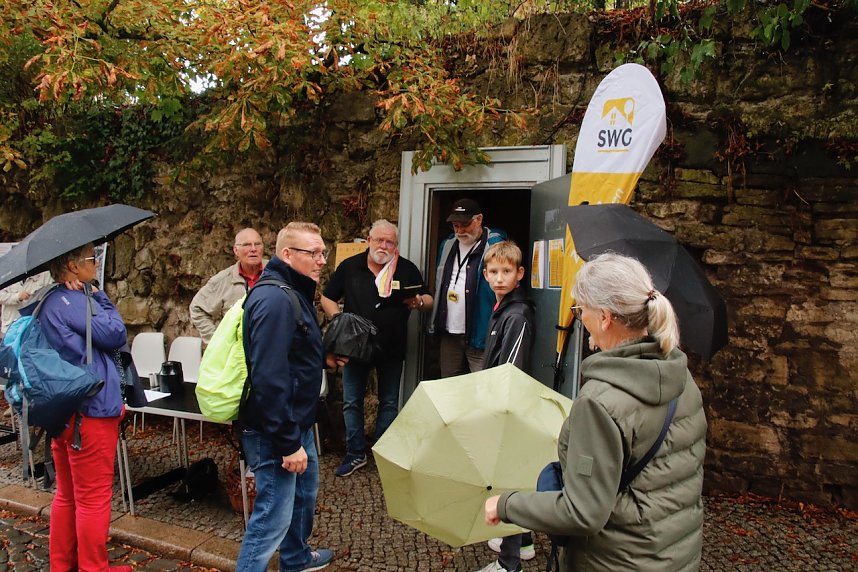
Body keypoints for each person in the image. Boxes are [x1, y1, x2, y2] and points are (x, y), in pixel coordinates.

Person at [483, 253, 707, 571]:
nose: (579, 317)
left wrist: (505, 504)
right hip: (675, 556)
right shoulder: (680, 376)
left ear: (604, 317)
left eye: (580, 309)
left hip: (613, 561)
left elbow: (582, 512)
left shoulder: (599, 402)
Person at [236, 222, 334, 572]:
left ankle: (296, 559)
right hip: (275, 429)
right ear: (287, 254)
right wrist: (287, 443)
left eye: (323, 252)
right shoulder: (275, 298)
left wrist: (323, 358)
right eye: (314, 253)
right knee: (271, 519)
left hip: (297, 422)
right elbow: (269, 378)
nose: (322, 260)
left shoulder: (294, 290)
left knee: (303, 497)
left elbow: (292, 352)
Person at [35, 244, 130, 572]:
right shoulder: (77, 302)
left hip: (61, 411)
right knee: (93, 498)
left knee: (67, 495)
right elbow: (116, 333)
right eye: (92, 259)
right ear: (74, 267)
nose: (96, 263)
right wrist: (99, 295)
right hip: (91, 411)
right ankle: (94, 568)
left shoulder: (45, 301)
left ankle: (62, 566)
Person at [320, 219, 433, 477]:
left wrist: (418, 302)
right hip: (355, 348)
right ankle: (355, 453)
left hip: (391, 346)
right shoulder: (350, 267)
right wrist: (340, 321)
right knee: (351, 402)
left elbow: (428, 300)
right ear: (369, 240)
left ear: (396, 245)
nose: (384, 245)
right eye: (379, 240)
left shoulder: (405, 269)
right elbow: (327, 297)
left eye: (389, 242)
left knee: (389, 402)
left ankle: (382, 452)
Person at [476, 241, 536, 572]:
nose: (500, 278)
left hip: (507, 407)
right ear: (485, 275)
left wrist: (493, 407)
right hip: (501, 403)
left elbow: (509, 369)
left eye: (507, 272)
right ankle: (523, 542)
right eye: (494, 272)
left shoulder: (518, 313)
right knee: (512, 476)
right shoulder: (502, 309)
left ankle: (509, 563)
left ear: (519, 274)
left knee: (507, 480)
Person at [429, 198, 505, 377]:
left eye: (464, 224)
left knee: (482, 388)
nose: (459, 230)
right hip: (449, 332)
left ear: (478, 219)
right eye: (455, 225)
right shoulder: (447, 245)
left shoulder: (495, 245)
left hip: (480, 333)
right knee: (449, 386)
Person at [190, 228, 267, 343]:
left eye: (257, 244)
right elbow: (197, 308)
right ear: (236, 250)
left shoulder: (279, 273)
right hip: (238, 354)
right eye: (246, 245)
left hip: (274, 351)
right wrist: (217, 341)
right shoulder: (222, 280)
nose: (253, 249)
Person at [0, 271, 53, 337]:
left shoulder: (45, 274)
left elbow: (50, 294)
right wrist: (17, 297)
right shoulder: (6, 273)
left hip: (34, 326)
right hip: (11, 325)